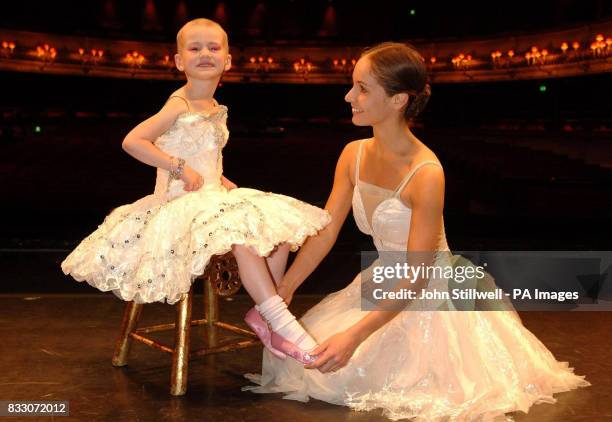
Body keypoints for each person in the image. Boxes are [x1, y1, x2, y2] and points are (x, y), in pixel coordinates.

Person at [243, 42, 589, 421]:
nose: (348, 96)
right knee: (307, 364)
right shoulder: (352, 154)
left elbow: (417, 275)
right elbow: (325, 233)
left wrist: (356, 335)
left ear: (398, 100)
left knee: (398, 380)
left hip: (431, 288)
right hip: (386, 279)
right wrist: (284, 292)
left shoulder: (426, 172)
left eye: (362, 88)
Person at [61, 18, 330, 361]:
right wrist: (177, 166)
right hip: (180, 203)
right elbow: (133, 141)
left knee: (279, 227)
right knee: (242, 234)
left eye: (214, 48)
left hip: (211, 195)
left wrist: (220, 178)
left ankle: (266, 311)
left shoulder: (216, 107)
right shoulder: (179, 104)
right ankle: (279, 320)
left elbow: (206, 154)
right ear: (178, 61)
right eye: (195, 48)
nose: (205, 53)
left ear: (228, 61)